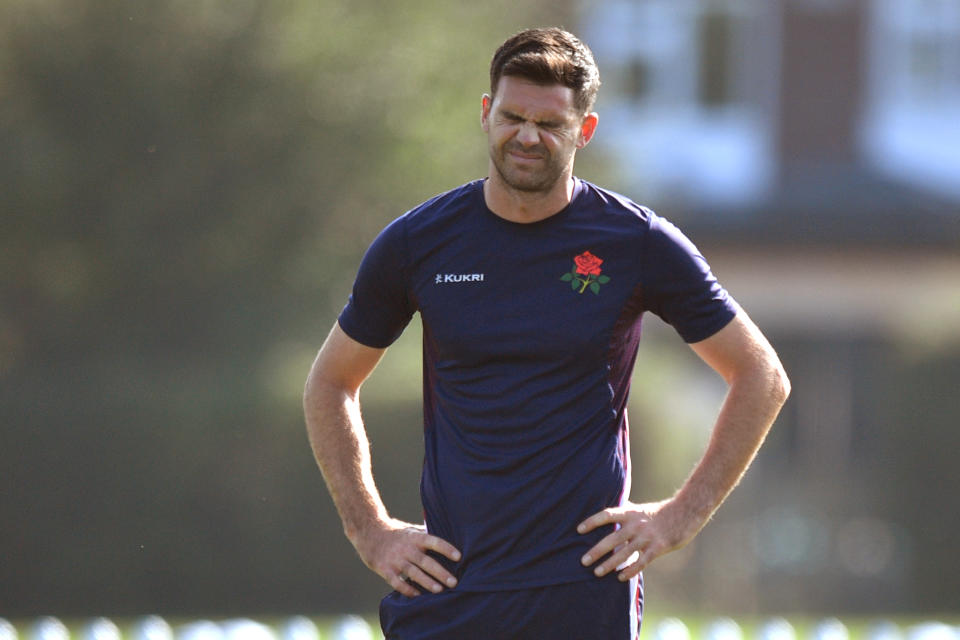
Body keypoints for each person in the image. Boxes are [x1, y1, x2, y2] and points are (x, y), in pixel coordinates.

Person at [303, 27, 790, 640]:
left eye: (551, 123)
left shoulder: (638, 243)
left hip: (583, 594)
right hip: (448, 587)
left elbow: (761, 376)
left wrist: (678, 519)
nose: (527, 136)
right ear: (486, 115)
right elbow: (330, 383)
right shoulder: (416, 243)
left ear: (584, 131)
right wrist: (369, 529)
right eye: (512, 116)